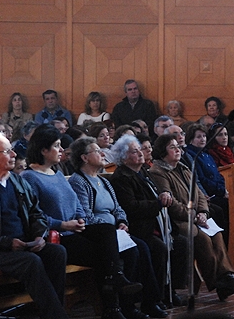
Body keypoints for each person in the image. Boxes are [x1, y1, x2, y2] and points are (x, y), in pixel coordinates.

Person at [21, 125, 141, 319]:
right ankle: (112, 306)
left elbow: (76, 204)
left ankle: (114, 283)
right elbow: (34, 214)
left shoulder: (58, 174)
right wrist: (62, 224)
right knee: (105, 256)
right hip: (57, 236)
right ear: (43, 150)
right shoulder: (29, 177)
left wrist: (80, 219)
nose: (62, 150)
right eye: (57, 146)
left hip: (74, 230)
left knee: (105, 230)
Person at [0, 132, 70, 319]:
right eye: (8, 151)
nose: (13, 155)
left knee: (57, 253)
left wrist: (39, 236)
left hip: (22, 244)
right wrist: (7, 243)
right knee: (30, 261)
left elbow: (36, 213)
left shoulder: (18, 182)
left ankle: (49, 313)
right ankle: (57, 316)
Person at [68, 137, 166, 318]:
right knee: (132, 251)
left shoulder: (104, 182)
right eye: (97, 151)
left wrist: (122, 222)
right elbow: (85, 215)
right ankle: (123, 306)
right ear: (84, 158)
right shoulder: (78, 182)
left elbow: (118, 208)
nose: (103, 153)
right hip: (95, 233)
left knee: (140, 248)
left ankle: (144, 302)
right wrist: (111, 229)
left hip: (113, 231)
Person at [148, 134, 234, 301]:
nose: (178, 149)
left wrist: (203, 213)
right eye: (172, 147)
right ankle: (218, 282)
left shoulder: (183, 167)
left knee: (216, 234)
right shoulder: (157, 172)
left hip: (195, 216)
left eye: (178, 146)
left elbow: (199, 194)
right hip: (177, 221)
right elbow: (171, 202)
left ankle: (227, 277)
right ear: (162, 151)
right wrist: (193, 216)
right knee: (202, 238)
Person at [107, 135, 186, 308]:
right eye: (135, 151)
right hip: (139, 227)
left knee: (181, 244)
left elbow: (155, 194)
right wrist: (157, 203)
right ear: (124, 157)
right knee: (158, 249)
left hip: (155, 223)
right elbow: (131, 207)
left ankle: (169, 290)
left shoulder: (142, 171)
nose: (141, 153)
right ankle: (152, 300)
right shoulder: (122, 178)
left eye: (139, 149)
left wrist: (165, 195)